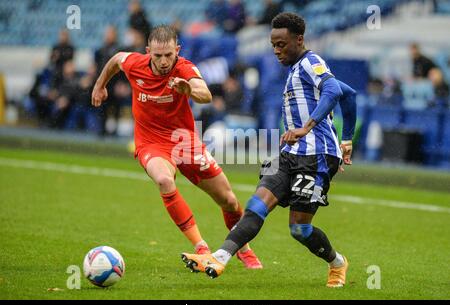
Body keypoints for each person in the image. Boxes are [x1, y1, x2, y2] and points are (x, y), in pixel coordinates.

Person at [181, 12, 357, 288]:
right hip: (290, 155)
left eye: (281, 44)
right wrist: (347, 139)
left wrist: (307, 127)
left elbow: (335, 91)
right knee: (255, 207)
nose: (276, 50)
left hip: (317, 157)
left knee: (299, 229)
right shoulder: (295, 70)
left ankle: (337, 263)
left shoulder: (312, 62)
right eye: (273, 44)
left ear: (299, 40)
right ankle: (219, 258)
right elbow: (350, 95)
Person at [91, 25, 262, 269]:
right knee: (164, 180)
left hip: (185, 142)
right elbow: (116, 60)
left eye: (168, 55)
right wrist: (100, 85)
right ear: (148, 51)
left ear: (177, 51)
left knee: (229, 200)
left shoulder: (184, 68)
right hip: (151, 142)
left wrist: (189, 89)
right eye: (158, 55)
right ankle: (201, 247)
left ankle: (244, 249)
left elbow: (206, 94)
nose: (163, 61)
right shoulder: (134, 63)